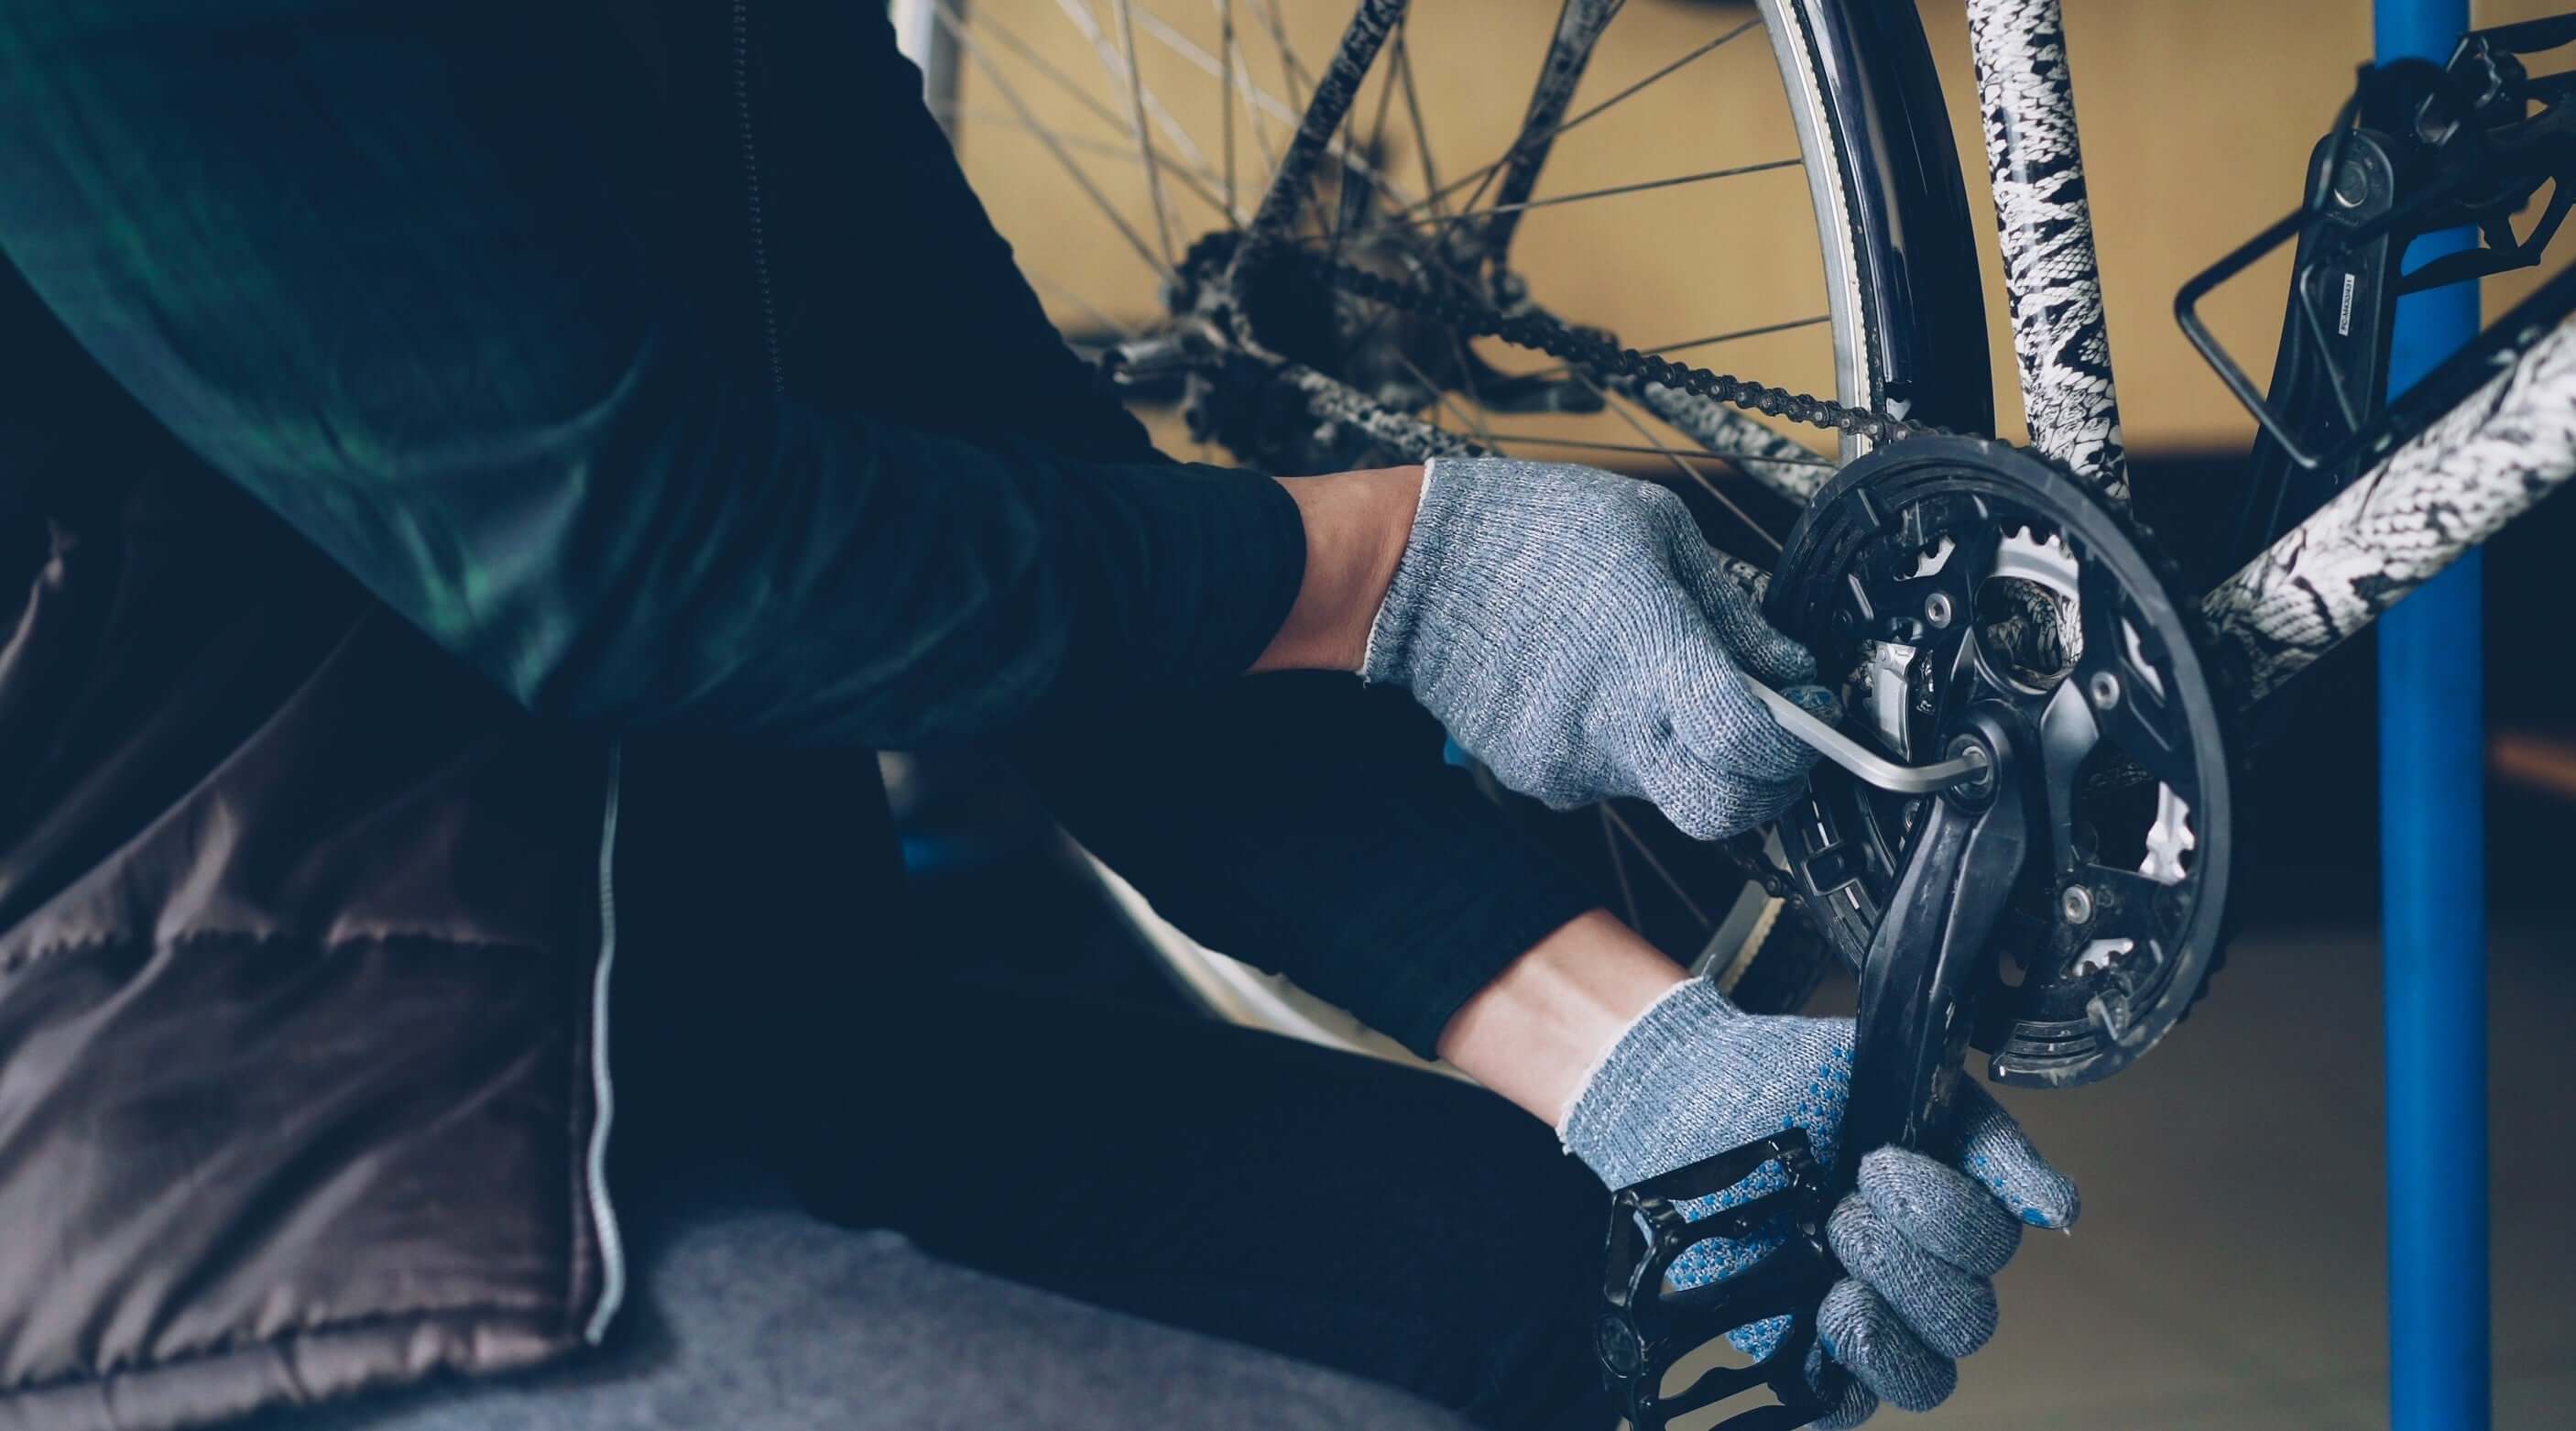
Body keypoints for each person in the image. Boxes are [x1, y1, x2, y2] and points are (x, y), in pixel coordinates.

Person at [0, 4, 2075, 1430]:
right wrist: (1388, 563)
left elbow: (1015, 498)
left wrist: (1643, 1061)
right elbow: (613, 546)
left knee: (1541, 1276)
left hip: (720, 1047)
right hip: (235, 1158)